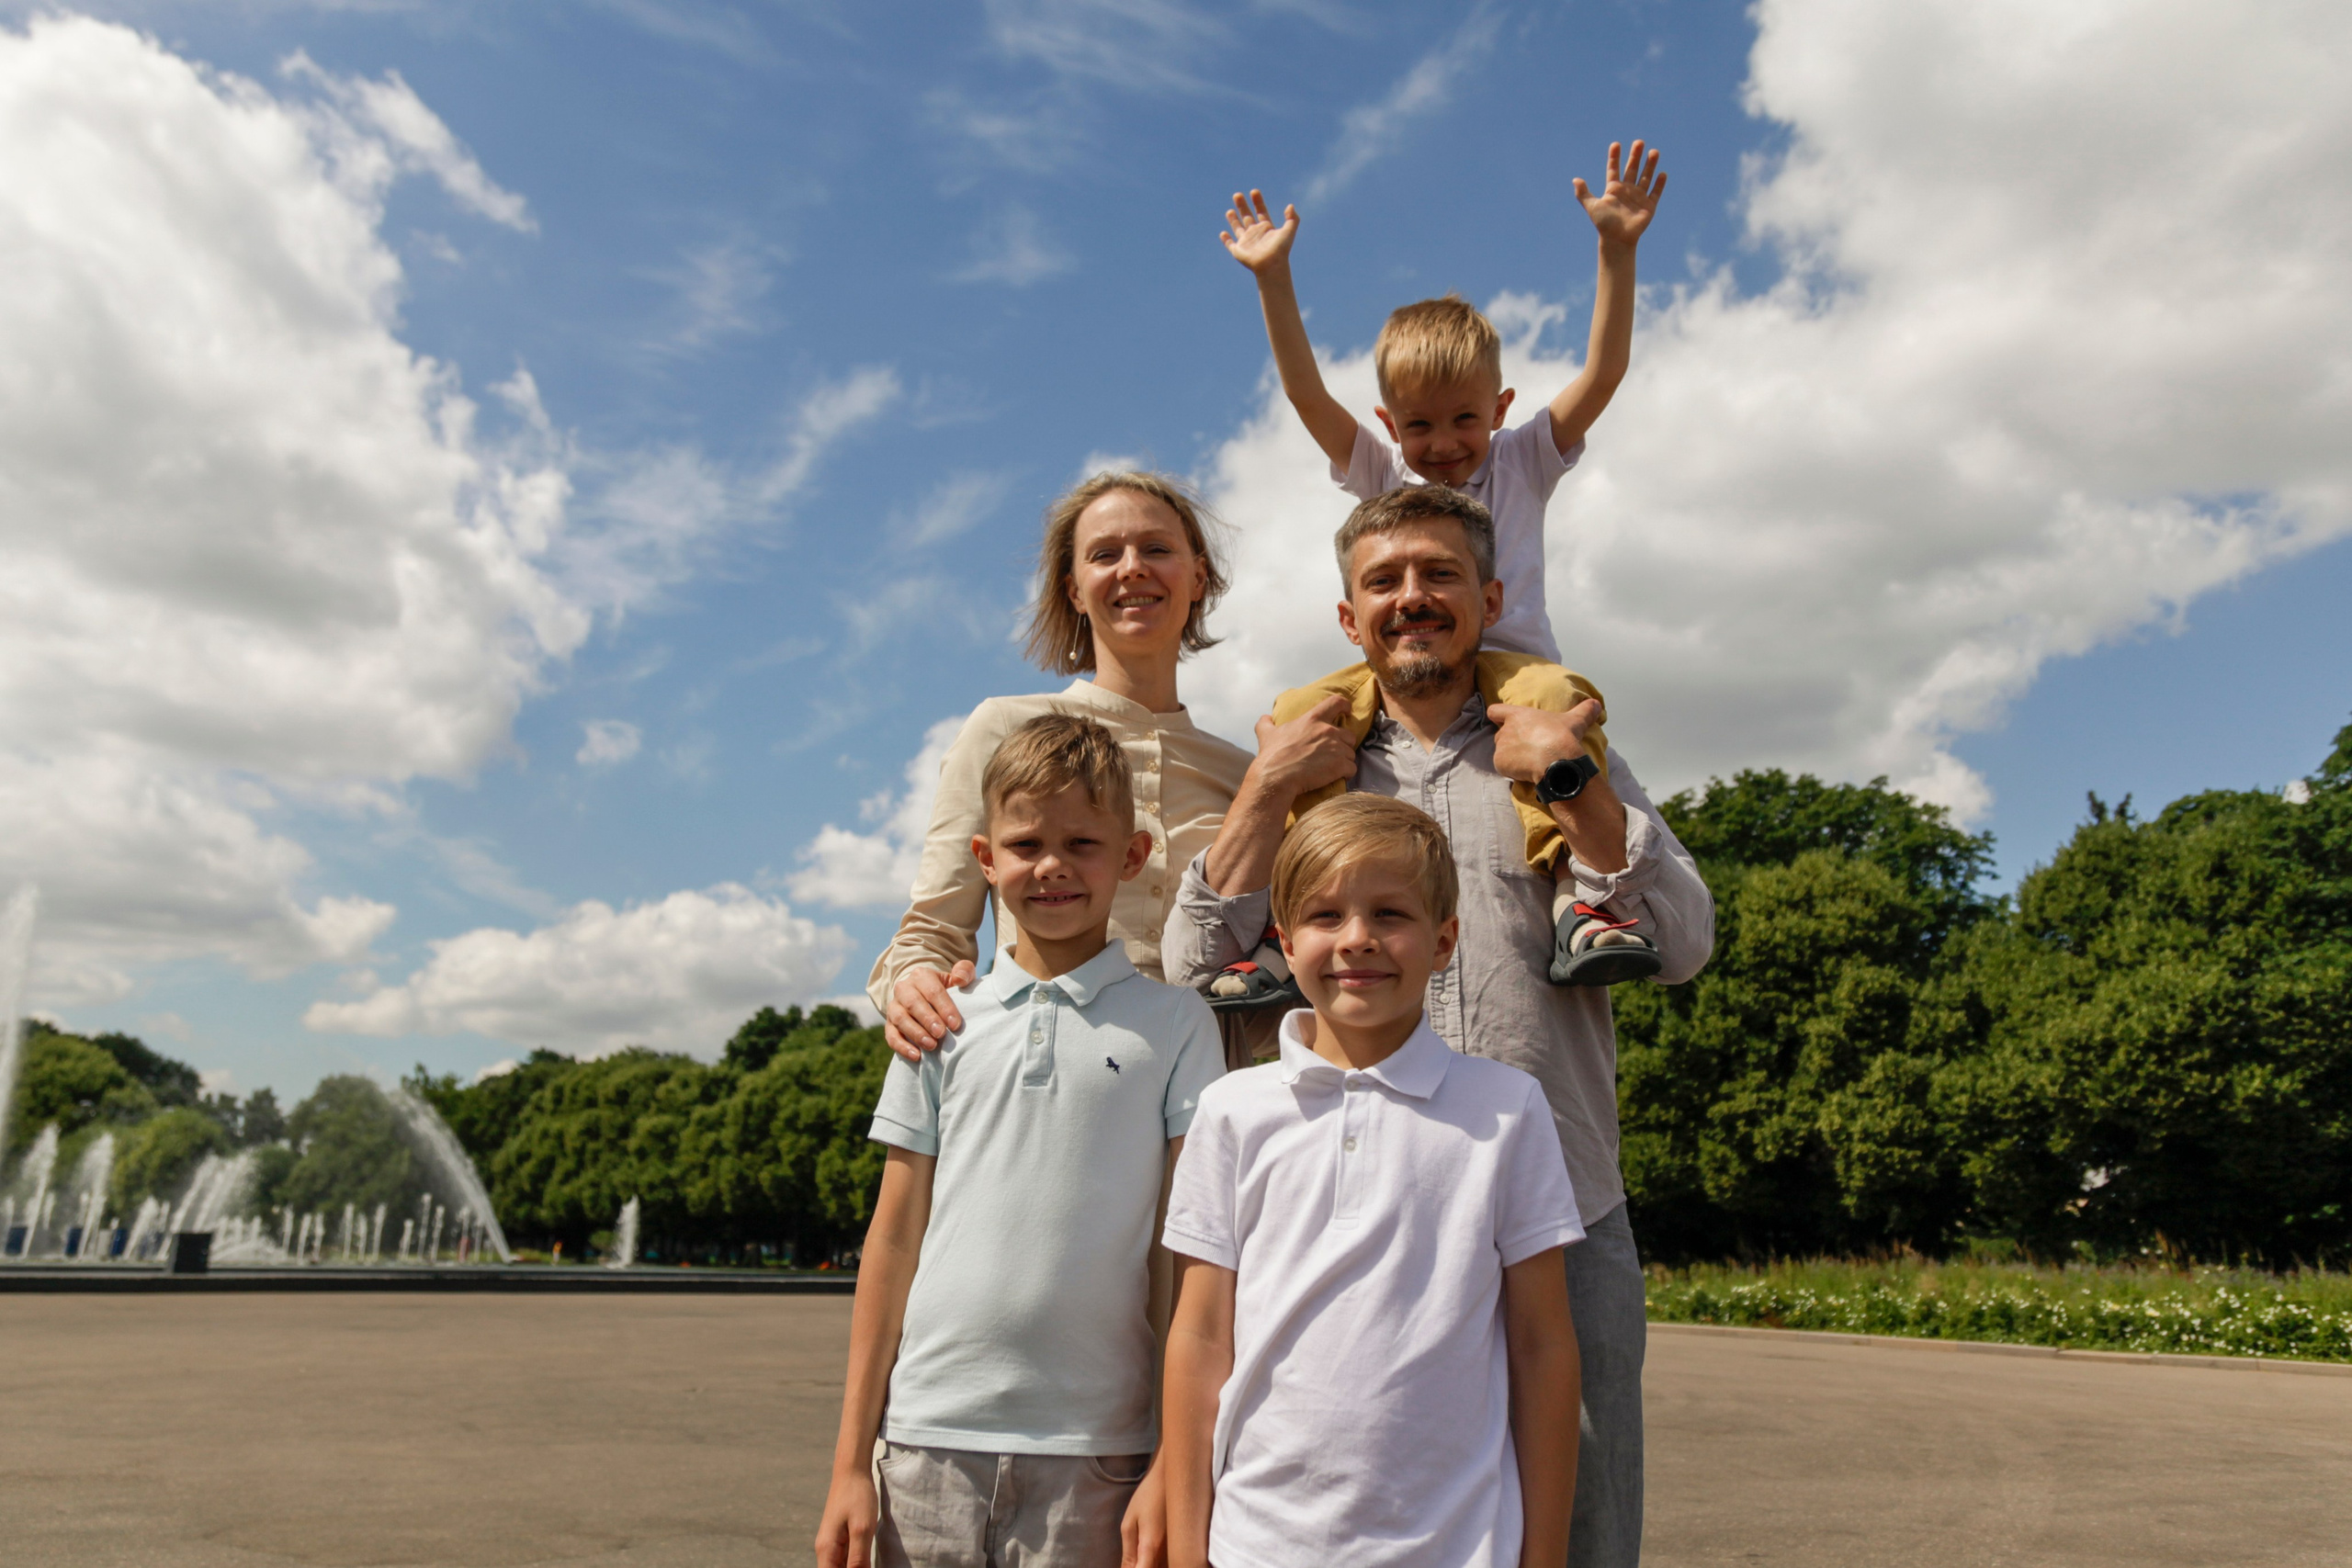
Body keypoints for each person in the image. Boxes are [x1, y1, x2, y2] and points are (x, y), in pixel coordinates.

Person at [1165, 484, 1715, 1568]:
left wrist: (1570, 780)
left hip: (1560, 1199)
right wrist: (1263, 792)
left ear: (1489, 596)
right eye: (1384, 581)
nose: (1411, 598)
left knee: (1585, 1531)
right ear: (1347, 616)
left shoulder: (1554, 743)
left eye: (1438, 575)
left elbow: (1686, 942)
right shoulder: (1305, 758)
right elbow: (1195, 964)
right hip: (1352, 1212)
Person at [816, 713, 1226, 1568]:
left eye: (1082, 841)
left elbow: (1185, 1258)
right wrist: (851, 1461)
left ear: (1134, 855)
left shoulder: (1178, 1024)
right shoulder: (936, 1020)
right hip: (924, 1443)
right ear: (984, 858)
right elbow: (891, 1241)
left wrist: (1171, 1462)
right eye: (1026, 840)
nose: (1052, 864)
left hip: (1103, 1454)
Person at [1160, 792, 1586, 1568]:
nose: (1357, 939)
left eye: (1390, 913)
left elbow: (1543, 1344)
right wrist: (1189, 1550)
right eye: (1325, 916)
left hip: (1458, 1548)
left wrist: (1546, 1555)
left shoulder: (1507, 1108)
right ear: (1284, 944)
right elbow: (1199, 1336)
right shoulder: (1230, 1110)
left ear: (1445, 939)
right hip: (1256, 1546)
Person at [1218, 139, 1668, 665]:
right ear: (1388, 424)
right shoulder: (1382, 474)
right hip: (1413, 666)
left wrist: (1617, 251)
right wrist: (1273, 278)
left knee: (1560, 715)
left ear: (1500, 411)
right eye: (1420, 425)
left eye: (1465, 419)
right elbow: (1307, 395)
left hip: (1512, 666)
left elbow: (1602, 375)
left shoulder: (1522, 462)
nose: (1444, 442)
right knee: (1304, 711)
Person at [866, 470, 1254, 1066]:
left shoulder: (1247, 777)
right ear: (1074, 589)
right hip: (1038, 1080)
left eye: (1156, 548)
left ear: (1198, 575)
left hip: (1204, 1110)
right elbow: (933, 930)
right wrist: (914, 983)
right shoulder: (1000, 727)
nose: (1132, 568)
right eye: (1105, 554)